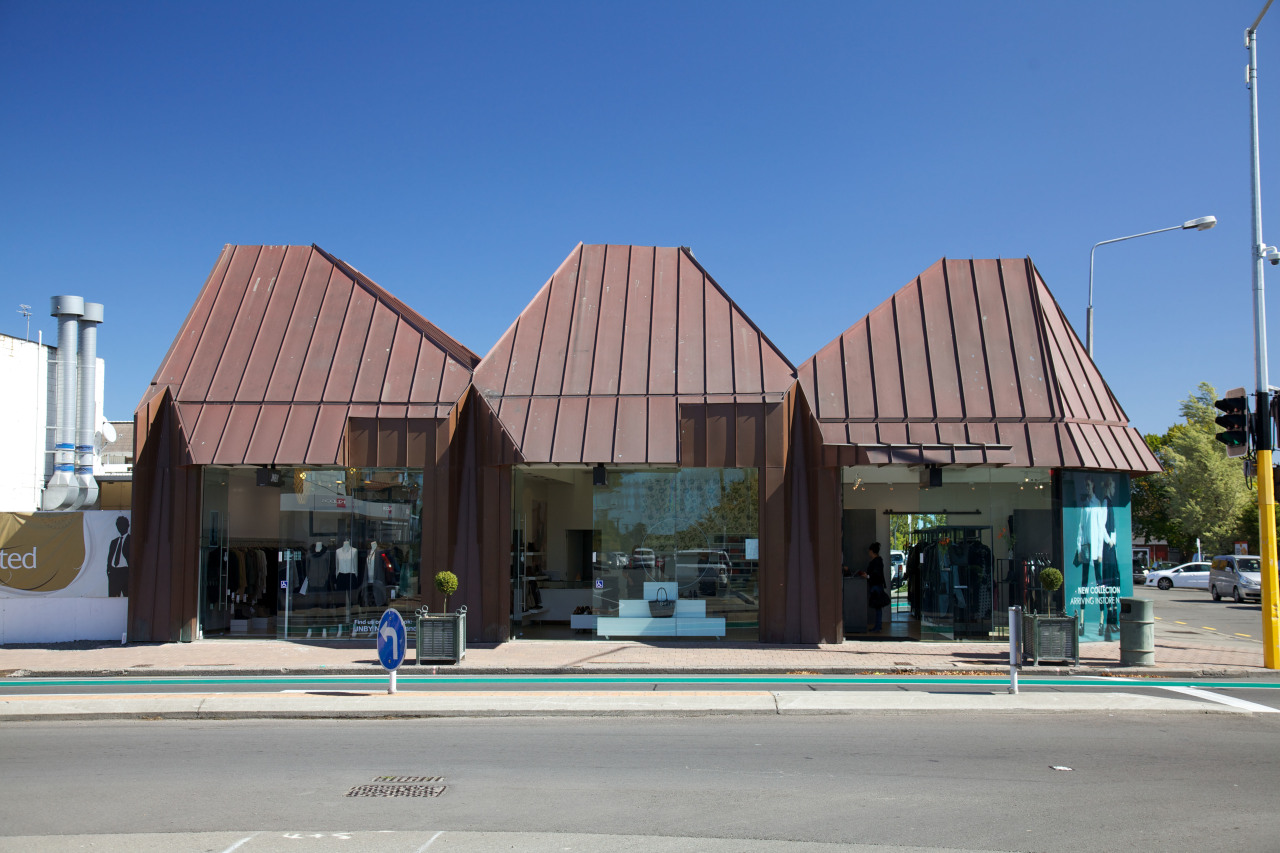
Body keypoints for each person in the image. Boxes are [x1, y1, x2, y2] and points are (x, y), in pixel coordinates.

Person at [857, 542, 888, 632]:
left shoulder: (876, 561)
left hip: (876, 586)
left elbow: (876, 574)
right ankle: (878, 625)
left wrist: (868, 576)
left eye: (869, 551)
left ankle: (878, 626)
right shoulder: (878, 561)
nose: (868, 553)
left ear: (872, 551)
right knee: (878, 607)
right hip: (877, 585)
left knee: (877, 606)